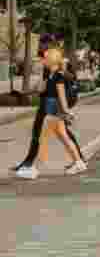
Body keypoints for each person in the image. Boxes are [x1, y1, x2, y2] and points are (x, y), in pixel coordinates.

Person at [14, 49, 87, 178]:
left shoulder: (58, 76)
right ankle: (78, 162)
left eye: (45, 59)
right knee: (63, 137)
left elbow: (61, 96)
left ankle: (33, 169)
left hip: (54, 110)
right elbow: (42, 89)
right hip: (52, 109)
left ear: (50, 61)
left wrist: (66, 112)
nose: (43, 60)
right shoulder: (52, 75)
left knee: (44, 139)